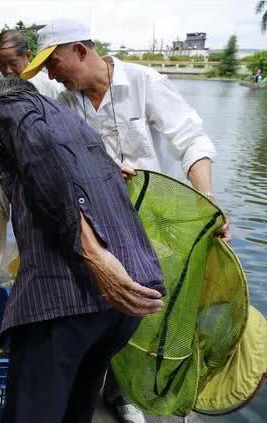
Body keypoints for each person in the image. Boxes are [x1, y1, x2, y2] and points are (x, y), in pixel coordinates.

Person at [20, 17, 231, 423]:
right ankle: (115, 390)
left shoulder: (142, 82)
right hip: (106, 221)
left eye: (54, 63)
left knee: (155, 306)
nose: (51, 73)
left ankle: (146, 389)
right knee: (112, 302)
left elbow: (191, 138)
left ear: (80, 51)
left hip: (158, 219)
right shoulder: (67, 103)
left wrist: (207, 197)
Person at [0, 76, 165, 423]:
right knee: (77, 407)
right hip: (124, 304)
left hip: (67, 300)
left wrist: (93, 256)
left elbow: (44, 162)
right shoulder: (72, 121)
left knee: (33, 412)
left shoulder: (11, 107)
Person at [0, 30, 63, 285]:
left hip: (33, 166)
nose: (7, 70)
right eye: (1, 64)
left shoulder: (47, 87)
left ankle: (26, 272)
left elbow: (61, 130)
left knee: (31, 219)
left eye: (13, 64)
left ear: (28, 56)